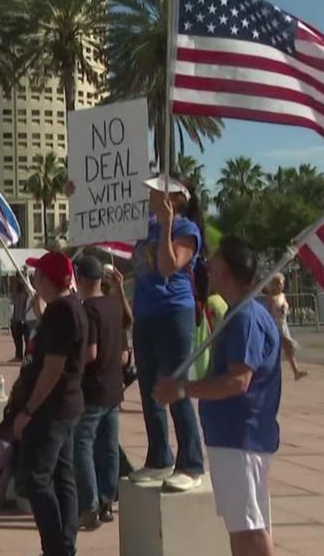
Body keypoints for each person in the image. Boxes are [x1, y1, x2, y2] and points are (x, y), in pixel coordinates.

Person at [156, 237, 281, 556]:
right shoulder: (242, 314)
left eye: (216, 261)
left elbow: (238, 381)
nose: (208, 266)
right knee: (245, 526)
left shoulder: (245, 317)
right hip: (237, 436)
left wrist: (183, 389)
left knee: (249, 528)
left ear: (230, 269)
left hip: (239, 436)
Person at [128, 174, 206, 492]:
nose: (149, 196)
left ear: (175, 198)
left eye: (157, 192)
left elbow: (167, 265)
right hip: (145, 314)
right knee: (149, 391)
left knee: (175, 388)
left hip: (174, 312)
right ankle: (159, 457)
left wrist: (167, 224)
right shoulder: (144, 226)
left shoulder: (186, 229)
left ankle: (191, 463)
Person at [14, 251, 87, 556]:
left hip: (53, 410)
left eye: (37, 276)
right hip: (67, 405)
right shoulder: (68, 308)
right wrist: (41, 313)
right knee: (62, 477)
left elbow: (54, 366)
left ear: (46, 280)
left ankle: (57, 547)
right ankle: (64, 545)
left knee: (36, 479)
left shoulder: (62, 312)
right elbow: (57, 344)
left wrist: (28, 410)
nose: (33, 281)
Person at [73, 256, 128, 530]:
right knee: (109, 448)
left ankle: (89, 505)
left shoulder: (88, 309)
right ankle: (107, 502)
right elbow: (124, 352)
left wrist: (69, 367)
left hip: (92, 388)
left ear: (81, 280)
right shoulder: (114, 305)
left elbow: (90, 352)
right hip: (114, 387)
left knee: (81, 445)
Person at [258, 273, 309, 381]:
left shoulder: (282, 295)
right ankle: (265, 371)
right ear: (273, 284)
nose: (281, 286)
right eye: (278, 283)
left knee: (288, 348)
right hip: (273, 325)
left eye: (282, 284)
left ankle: (296, 371)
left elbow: (284, 307)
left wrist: (284, 309)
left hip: (283, 324)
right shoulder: (270, 297)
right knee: (278, 347)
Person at [9, 276, 33, 361]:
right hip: (16, 318)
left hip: (25, 319)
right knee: (17, 339)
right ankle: (18, 356)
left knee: (27, 340)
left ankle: (27, 357)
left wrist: (25, 314)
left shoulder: (28, 292)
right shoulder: (15, 292)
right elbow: (12, 304)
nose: (20, 281)